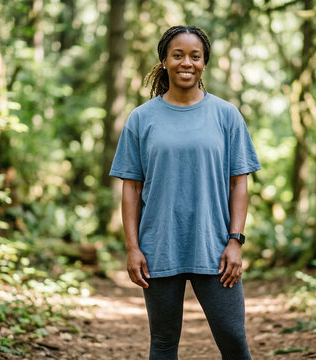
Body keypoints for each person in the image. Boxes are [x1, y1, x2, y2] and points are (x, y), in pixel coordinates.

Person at [109, 25, 260, 360]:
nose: (186, 62)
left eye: (195, 56)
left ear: (204, 62)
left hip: (216, 248)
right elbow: (131, 188)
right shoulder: (141, 119)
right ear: (164, 60)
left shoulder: (226, 115)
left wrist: (235, 240)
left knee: (234, 341)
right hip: (159, 247)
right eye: (178, 55)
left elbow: (239, 181)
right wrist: (133, 248)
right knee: (163, 344)